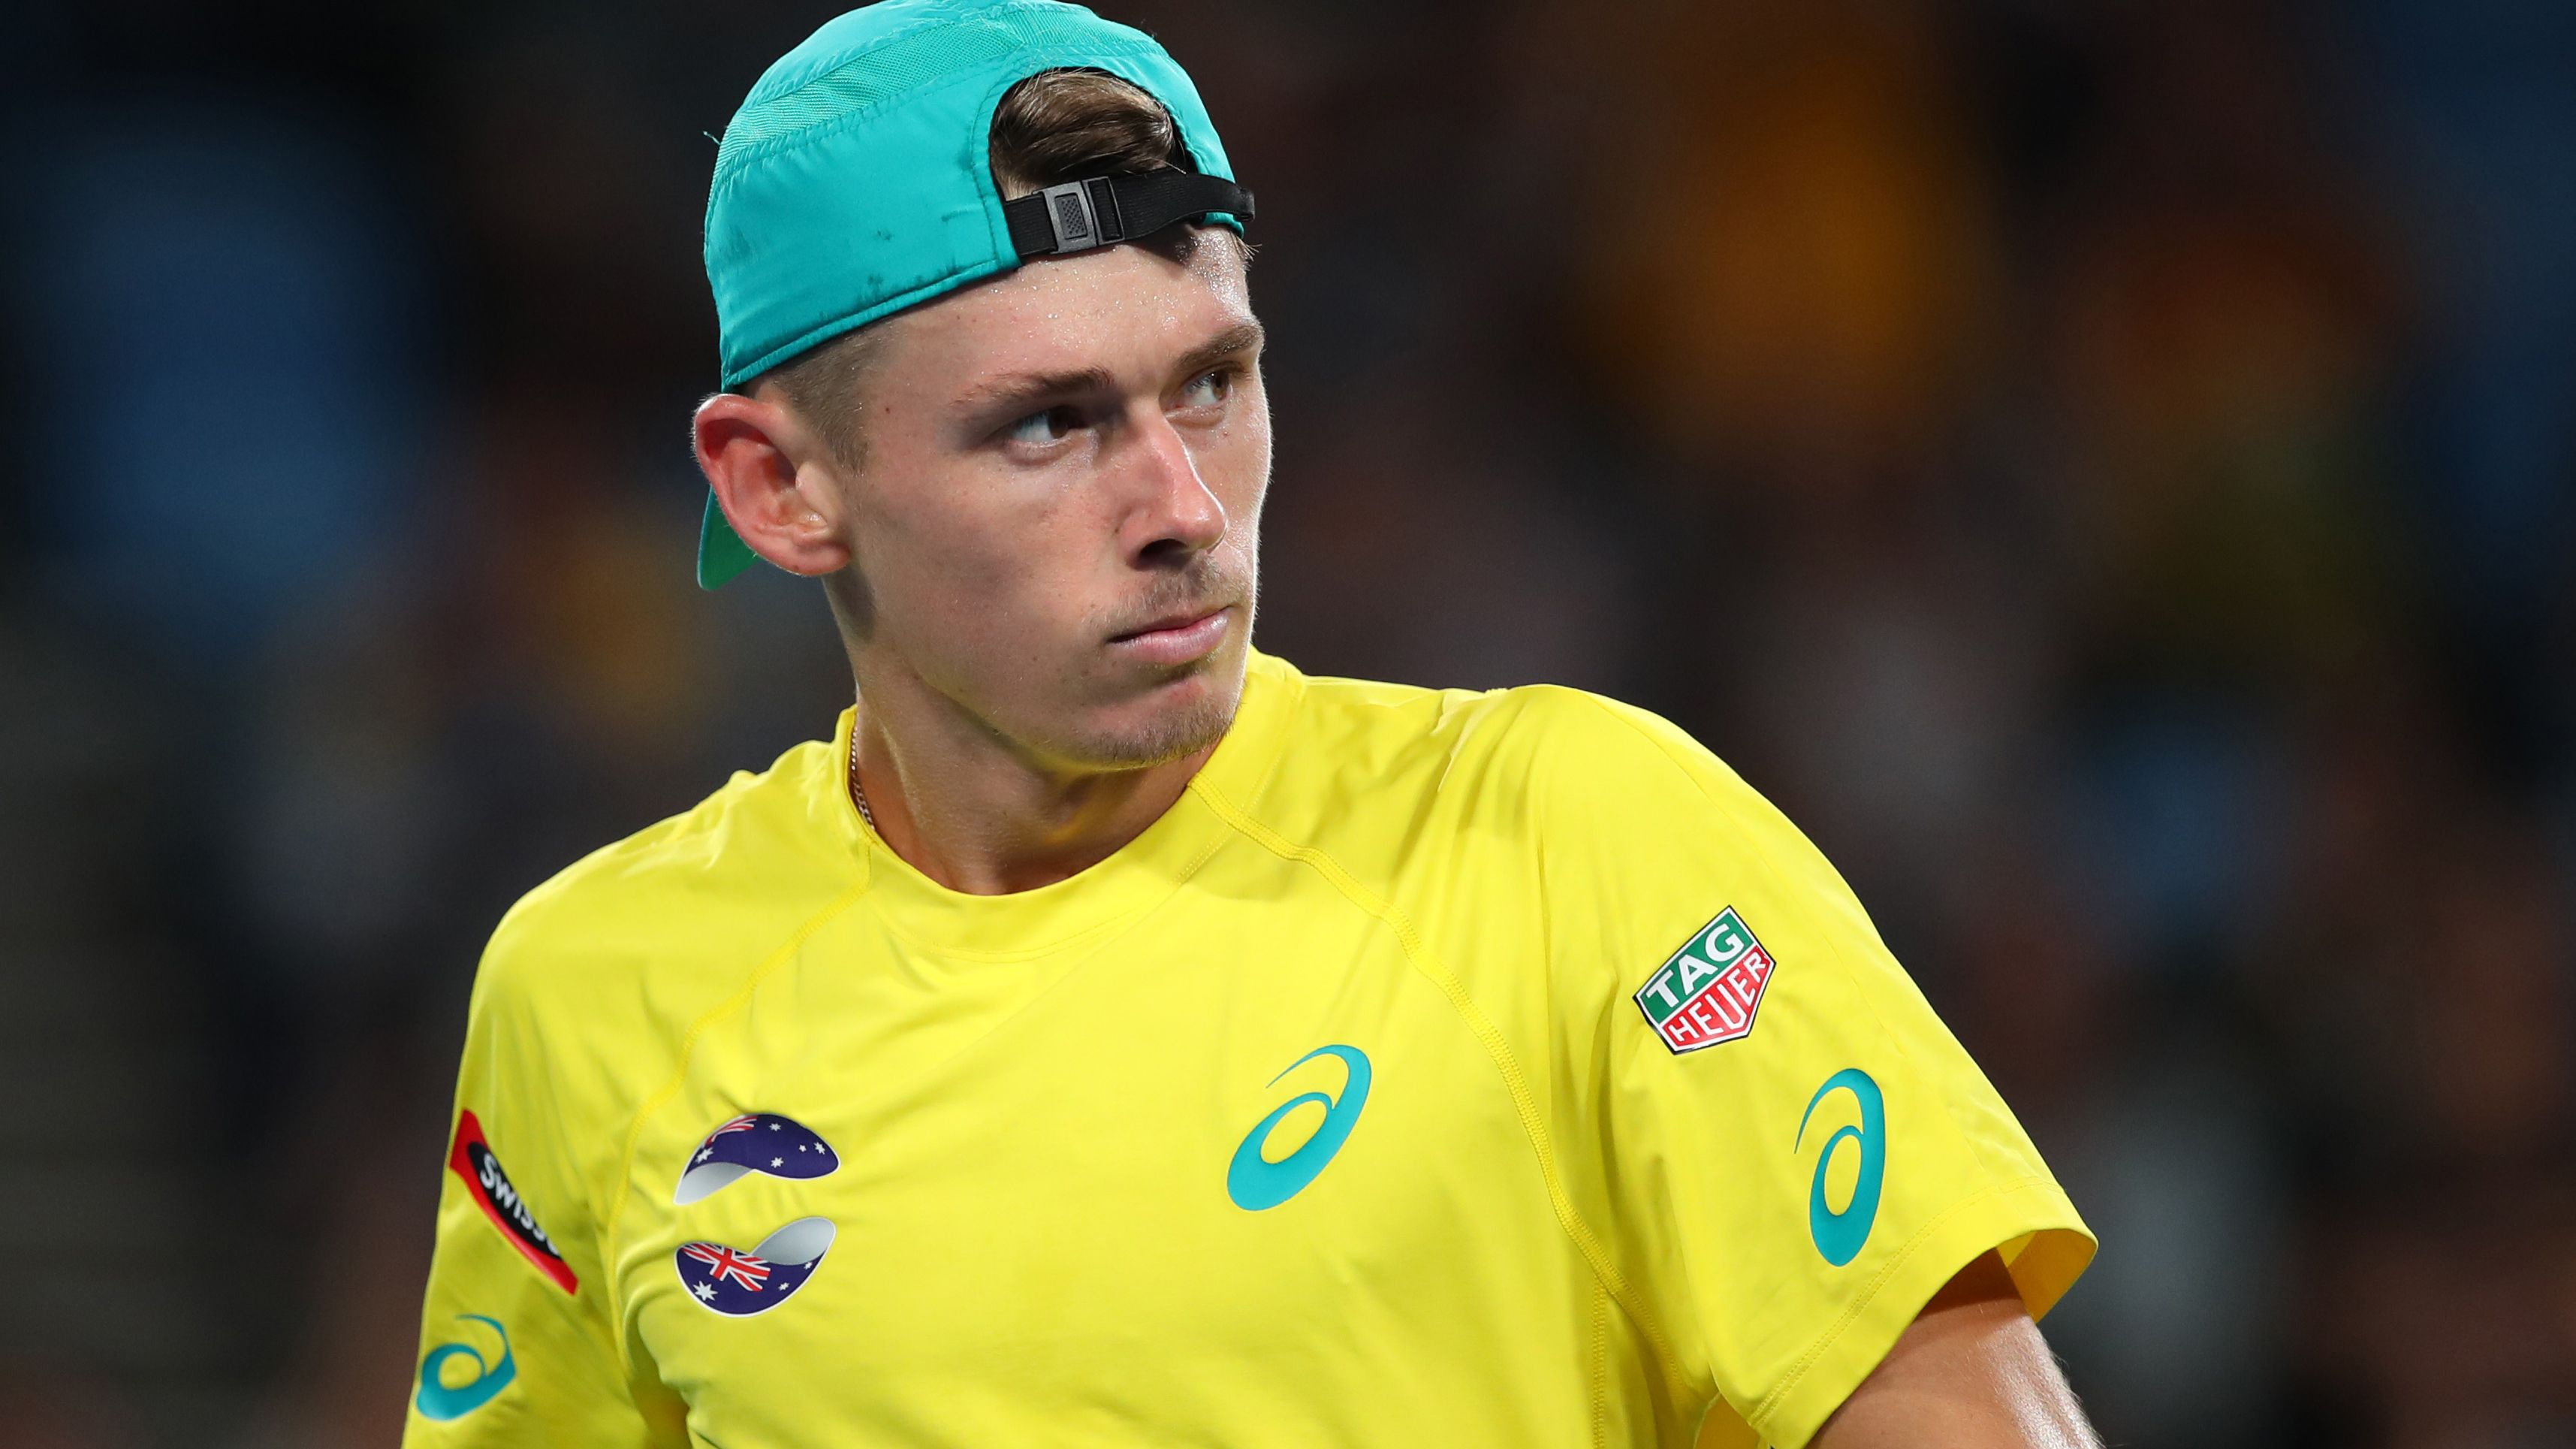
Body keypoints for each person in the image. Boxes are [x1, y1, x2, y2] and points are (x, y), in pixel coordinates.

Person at [403, 3, 2101, 1444]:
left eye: (1210, 381)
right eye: (1047, 424)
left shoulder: (1572, 844)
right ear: (779, 486)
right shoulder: (593, 992)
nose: (1182, 508)